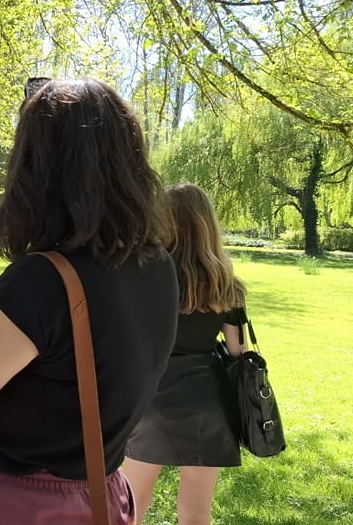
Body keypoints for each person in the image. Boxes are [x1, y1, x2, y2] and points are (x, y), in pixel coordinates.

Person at [0, 78, 179, 524]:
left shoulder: (43, 279)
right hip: (101, 493)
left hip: (17, 502)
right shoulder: (158, 267)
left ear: (36, 167)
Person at [123, 183, 247, 525]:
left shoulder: (145, 274)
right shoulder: (227, 283)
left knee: (131, 503)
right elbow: (238, 352)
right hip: (208, 402)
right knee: (196, 512)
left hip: (153, 398)